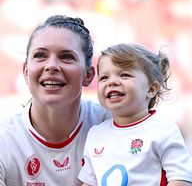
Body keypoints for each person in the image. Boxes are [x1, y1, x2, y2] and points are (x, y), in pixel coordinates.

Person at [0, 15, 111, 186]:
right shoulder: (4, 139)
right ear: (26, 72)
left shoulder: (110, 125)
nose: (51, 66)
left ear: (88, 75)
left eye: (66, 56)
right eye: (40, 55)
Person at [78, 43, 192, 186]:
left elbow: (181, 178)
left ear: (151, 89)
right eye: (104, 77)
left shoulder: (164, 130)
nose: (112, 82)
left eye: (124, 75)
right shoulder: (95, 134)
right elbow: (89, 181)